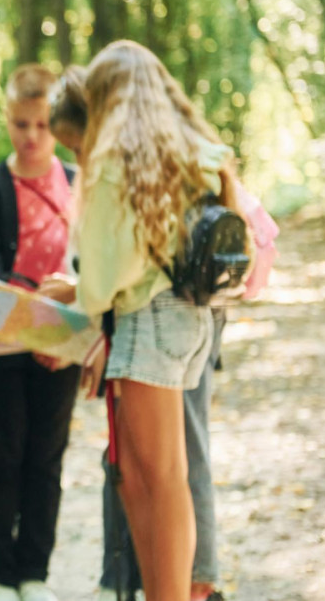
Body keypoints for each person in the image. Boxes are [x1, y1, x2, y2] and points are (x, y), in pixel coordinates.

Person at [49, 65, 229, 601]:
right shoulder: (175, 151)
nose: (76, 160)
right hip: (184, 315)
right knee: (139, 475)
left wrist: (81, 293)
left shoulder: (112, 165)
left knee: (163, 479)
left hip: (148, 320)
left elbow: (104, 284)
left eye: (73, 147)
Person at [0, 64, 82, 601]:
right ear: (6, 118)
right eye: (20, 124)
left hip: (63, 347)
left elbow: (90, 270)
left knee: (45, 457)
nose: (31, 136)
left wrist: (64, 324)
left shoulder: (79, 185)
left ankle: (34, 571)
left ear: (55, 122)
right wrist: (38, 314)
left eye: (41, 124)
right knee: (1, 454)